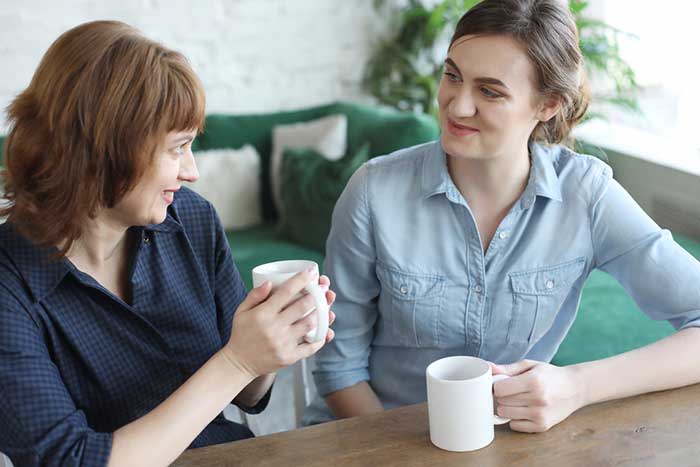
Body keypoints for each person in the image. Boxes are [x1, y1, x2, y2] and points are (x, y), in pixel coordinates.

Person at [304, 0, 700, 432]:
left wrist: (578, 385)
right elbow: (339, 369)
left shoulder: (586, 194)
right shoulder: (373, 191)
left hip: (509, 445)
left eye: (489, 91)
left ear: (547, 105)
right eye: (452, 75)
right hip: (374, 439)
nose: (457, 106)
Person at [0, 21, 335, 467]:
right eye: (177, 149)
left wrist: (270, 347)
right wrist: (236, 361)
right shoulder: (11, 283)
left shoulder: (191, 220)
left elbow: (247, 394)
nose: (191, 171)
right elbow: (71, 461)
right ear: (104, 152)